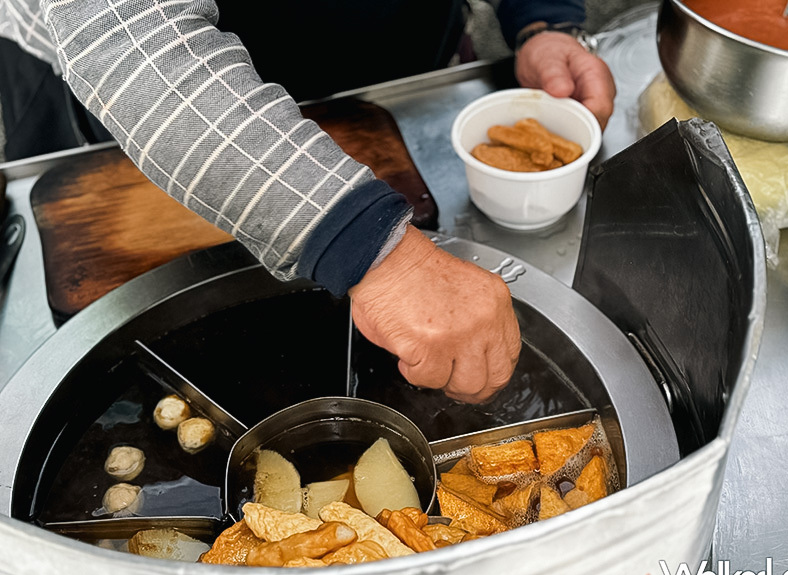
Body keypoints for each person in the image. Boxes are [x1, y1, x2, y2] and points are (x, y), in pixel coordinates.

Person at [0, 0, 615, 403]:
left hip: (402, 65)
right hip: (147, 108)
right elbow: (129, 37)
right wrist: (375, 251)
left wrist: (541, 20)